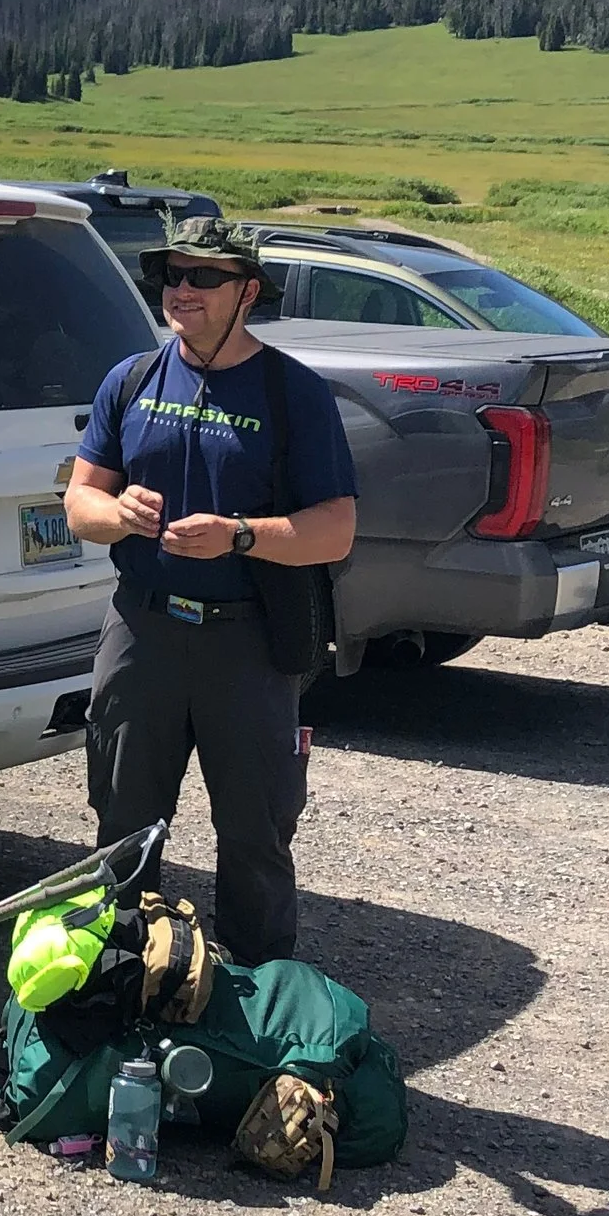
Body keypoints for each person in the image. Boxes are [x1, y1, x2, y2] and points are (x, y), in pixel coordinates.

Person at [63, 232, 358, 966]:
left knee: (255, 834)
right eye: (168, 274)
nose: (179, 289)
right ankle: (121, 984)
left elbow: (335, 530)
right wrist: (118, 514)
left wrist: (240, 536)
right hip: (144, 629)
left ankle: (255, 1010)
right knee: (123, 825)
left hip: (248, 642)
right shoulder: (130, 380)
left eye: (203, 277)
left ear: (247, 291)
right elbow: (80, 502)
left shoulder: (294, 393)